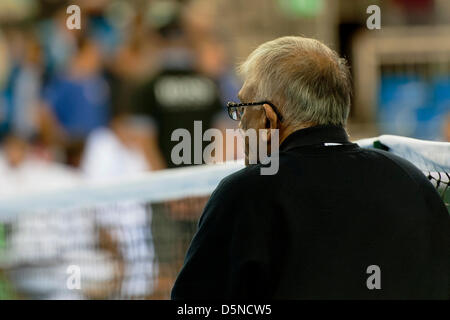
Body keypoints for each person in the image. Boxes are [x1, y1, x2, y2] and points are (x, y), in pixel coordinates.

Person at [171, 36, 450, 299]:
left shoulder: (244, 194)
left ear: (268, 121)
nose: (240, 123)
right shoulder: (410, 179)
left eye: (243, 107)